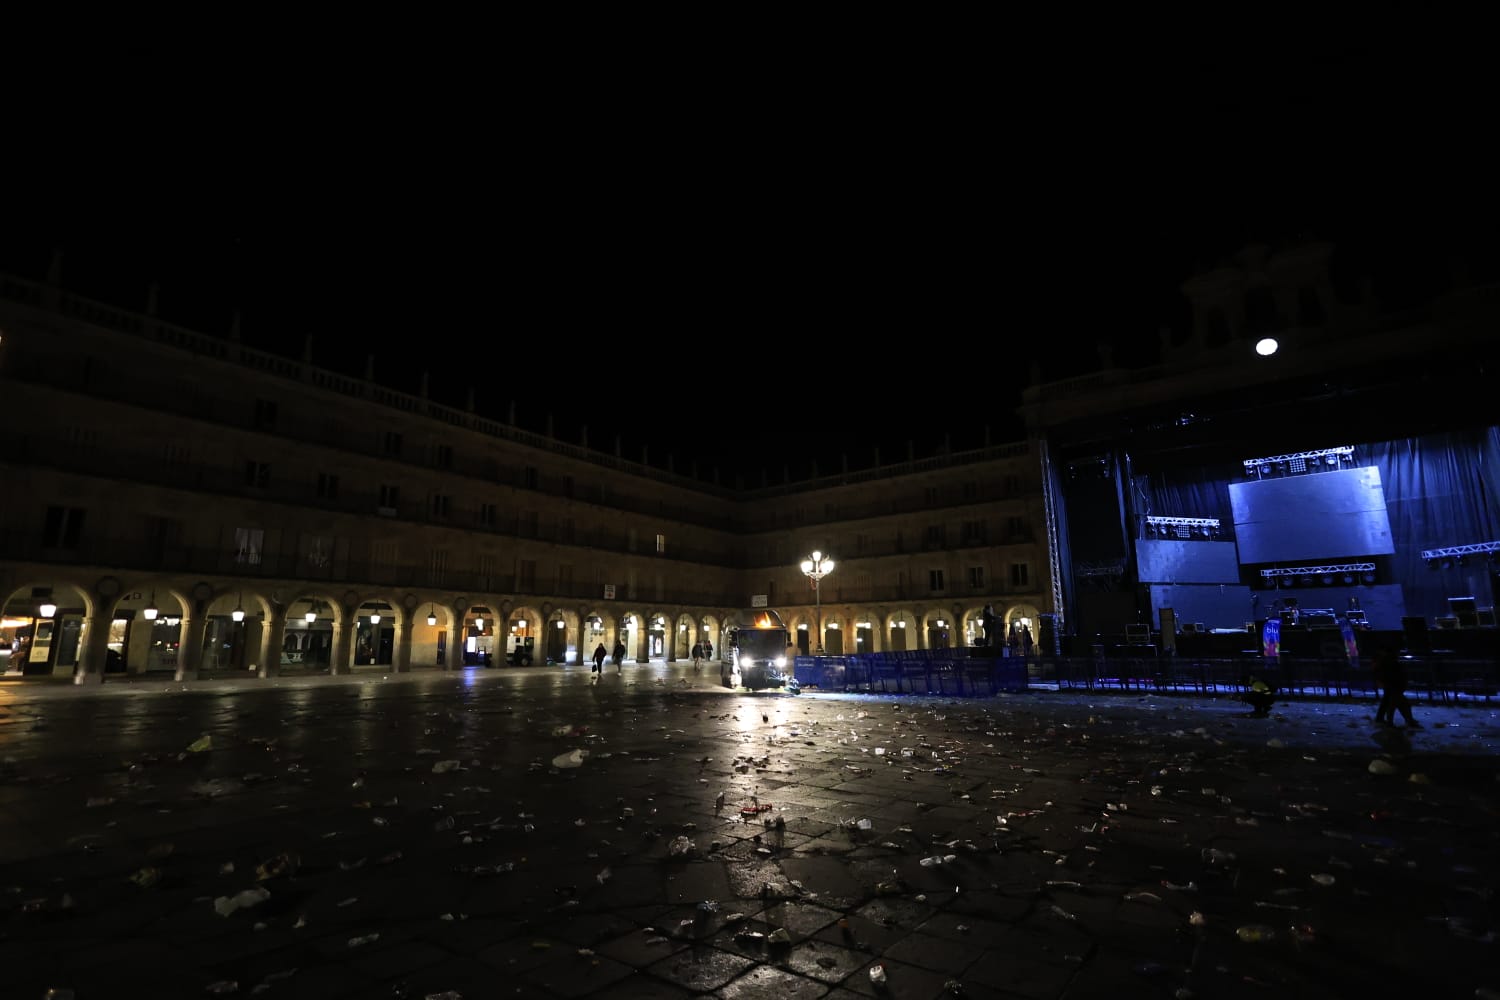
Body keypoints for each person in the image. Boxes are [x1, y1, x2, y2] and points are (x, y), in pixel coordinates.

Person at [1373, 648, 1420, 728]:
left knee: (1393, 703)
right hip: (1394, 686)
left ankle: (1386, 720)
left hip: (1392, 685)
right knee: (1399, 704)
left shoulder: (1386, 662)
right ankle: (1407, 721)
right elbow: (1395, 675)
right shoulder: (1391, 663)